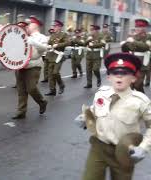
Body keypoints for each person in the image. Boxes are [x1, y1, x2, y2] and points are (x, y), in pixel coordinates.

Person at [74, 52, 151, 180]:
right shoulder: (101, 93)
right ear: (109, 77)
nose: (119, 75)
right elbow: (96, 109)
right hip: (99, 147)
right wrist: (85, 116)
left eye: (125, 72)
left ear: (133, 78)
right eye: (115, 72)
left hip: (124, 151)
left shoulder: (140, 101)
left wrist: (144, 147)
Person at [12, 16, 48, 119]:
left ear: (35, 25)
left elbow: (45, 49)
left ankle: (42, 102)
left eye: (30, 24)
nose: (28, 26)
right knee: (21, 90)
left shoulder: (41, 37)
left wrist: (33, 42)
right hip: (20, 66)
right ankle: (21, 111)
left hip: (33, 66)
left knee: (31, 88)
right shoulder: (22, 36)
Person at [121, 18, 151, 93]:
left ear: (144, 28)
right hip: (132, 63)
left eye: (140, 27)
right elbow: (126, 49)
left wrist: (133, 41)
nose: (137, 29)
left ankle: (143, 101)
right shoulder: (133, 36)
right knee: (130, 85)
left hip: (142, 63)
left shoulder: (148, 37)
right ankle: (131, 102)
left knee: (138, 85)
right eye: (136, 27)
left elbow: (145, 47)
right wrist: (124, 44)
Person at [45, 20, 69, 96]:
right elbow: (49, 42)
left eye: (55, 26)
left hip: (59, 56)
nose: (54, 27)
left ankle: (61, 85)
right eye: (54, 26)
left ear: (60, 27)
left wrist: (58, 45)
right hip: (51, 55)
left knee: (55, 73)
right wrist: (48, 45)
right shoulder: (52, 35)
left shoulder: (64, 35)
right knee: (50, 74)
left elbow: (68, 42)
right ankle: (52, 90)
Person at [12, 21, 29, 89]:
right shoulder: (16, 35)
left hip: (25, 56)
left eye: (21, 27)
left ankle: (25, 83)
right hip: (17, 55)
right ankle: (18, 83)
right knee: (17, 71)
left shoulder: (28, 36)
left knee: (25, 71)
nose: (19, 28)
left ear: (24, 27)